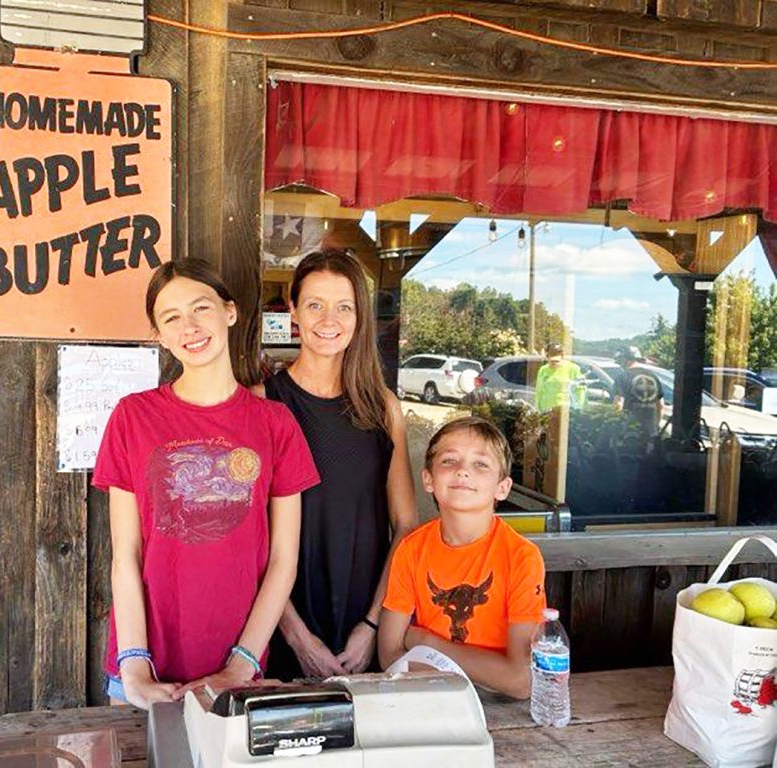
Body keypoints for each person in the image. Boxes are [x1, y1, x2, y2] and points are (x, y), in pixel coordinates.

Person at [92, 258, 319, 709]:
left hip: (239, 668)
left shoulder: (274, 424)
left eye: (201, 308)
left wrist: (242, 662)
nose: (189, 327)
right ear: (159, 335)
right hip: (141, 671)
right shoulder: (132, 417)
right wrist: (134, 665)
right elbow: (126, 554)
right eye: (171, 318)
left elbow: (283, 561)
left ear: (230, 312)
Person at [259, 249, 417, 680]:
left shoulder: (383, 409)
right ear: (292, 309)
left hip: (363, 624)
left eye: (343, 307)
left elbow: (405, 525)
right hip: (278, 623)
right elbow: (249, 535)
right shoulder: (262, 402)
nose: (329, 320)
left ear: (359, 315)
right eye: (315, 305)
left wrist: (372, 625)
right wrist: (293, 634)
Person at [377, 416, 546, 699]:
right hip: (431, 701)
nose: (463, 471)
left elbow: (521, 681)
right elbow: (390, 656)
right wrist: (490, 669)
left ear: (502, 488)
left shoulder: (521, 557)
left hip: (501, 707)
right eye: (449, 461)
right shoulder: (411, 550)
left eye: (481, 464)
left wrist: (427, 642)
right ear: (428, 479)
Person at [612, 346, 664, 440]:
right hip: (650, 433)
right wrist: (655, 428)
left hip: (629, 432)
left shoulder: (622, 378)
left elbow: (618, 405)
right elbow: (660, 406)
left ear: (625, 359)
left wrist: (616, 428)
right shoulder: (653, 377)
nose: (620, 363)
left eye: (620, 360)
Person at [534, 342, 584, 412]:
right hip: (546, 411)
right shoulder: (543, 370)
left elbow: (580, 390)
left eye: (556, 361)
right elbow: (539, 391)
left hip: (565, 412)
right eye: (551, 361)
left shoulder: (573, 369)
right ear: (547, 357)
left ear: (562, 356)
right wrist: (537, 409)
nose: (554, 363)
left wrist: (579, 408)